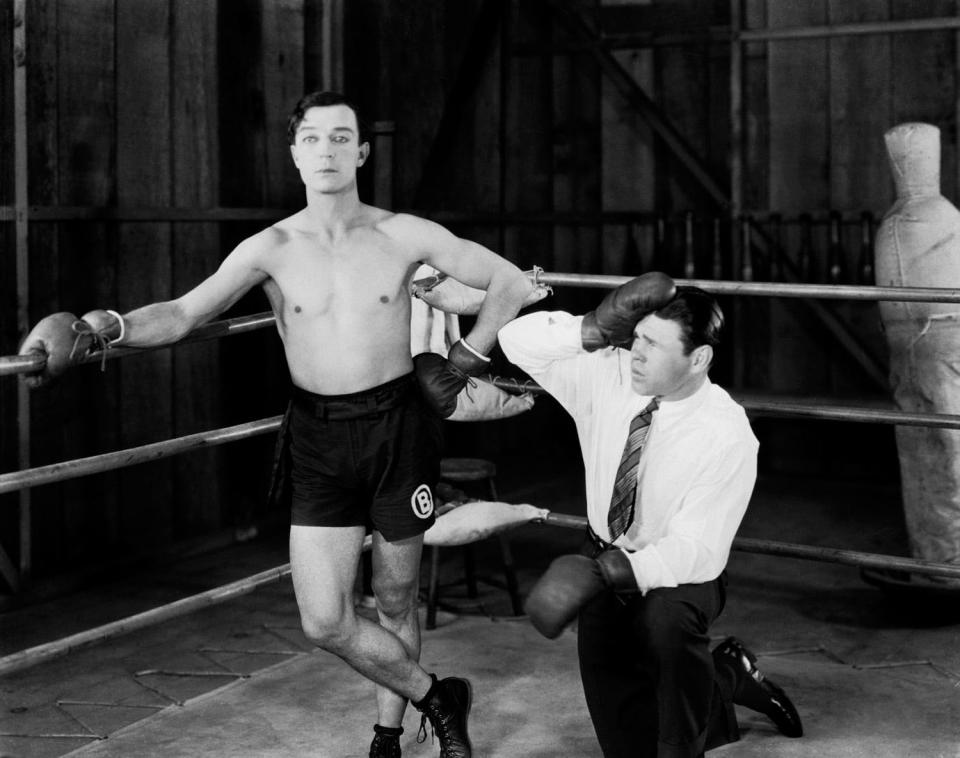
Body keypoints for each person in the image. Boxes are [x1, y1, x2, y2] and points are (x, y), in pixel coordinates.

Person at [19, 91, 535, 758]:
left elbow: (509, 282)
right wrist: (108, 328)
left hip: (399, 426)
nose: (327, 150)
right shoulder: (269, 247)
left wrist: (466, 357)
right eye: (313, 139)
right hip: (319, 435)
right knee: (324, 620)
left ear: (362, 151)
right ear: (295, 154)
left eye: (341, 137)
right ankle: (435, 695)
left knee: (395, 594)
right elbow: (181, 314)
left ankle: (388, 733)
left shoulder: (406, 233)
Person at [498, 278, 803, 757]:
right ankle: (729, 676)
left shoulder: (726, 434)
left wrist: (613, 572)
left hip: (681, 577)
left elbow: (698, 550)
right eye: (635, 336)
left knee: (666, 635)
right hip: (602, 553)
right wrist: (589, 328)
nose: (635, 352)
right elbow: (514, 341)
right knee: (626, 741)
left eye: (653, 344)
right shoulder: (609, 372)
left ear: (698, 358)